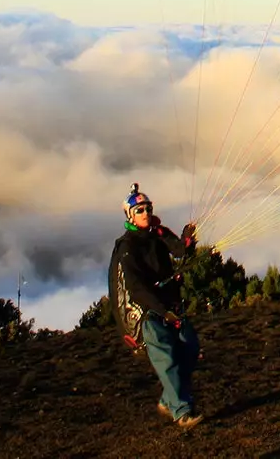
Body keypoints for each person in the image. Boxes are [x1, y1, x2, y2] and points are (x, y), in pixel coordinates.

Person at [109, 183, 203, 428]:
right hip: (149, 312)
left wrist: (187, 239)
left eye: (148, 208)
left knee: (189, 350)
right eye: (139, 210)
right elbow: (136, 288)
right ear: (130, 215)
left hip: (172, 305)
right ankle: (182, 411)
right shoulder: (127, 247)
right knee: (167, 358)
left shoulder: (158, 233)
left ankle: (168, 399)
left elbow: (179, 251)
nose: (145, 213)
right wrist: (163, 311)